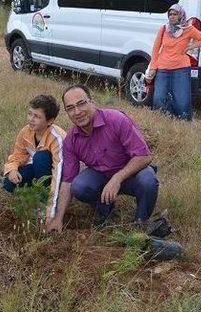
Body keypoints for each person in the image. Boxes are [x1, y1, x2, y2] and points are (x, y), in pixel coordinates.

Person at [47, 85, 158, 232]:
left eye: (81, 103)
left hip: (130, 173)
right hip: (101, 175)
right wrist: (58, 218)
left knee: (147, 180)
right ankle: (105, 211)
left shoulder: (116, 120)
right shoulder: (71, 140)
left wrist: (117, 179)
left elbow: (144, 156)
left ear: (92, 102)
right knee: (79, 186)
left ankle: (140, 225)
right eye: (71, 108)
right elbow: (67, 182)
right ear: (67, 112)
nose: (77, 112)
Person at [2, 94, 66, 220]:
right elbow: (17, 155)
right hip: (38, 169)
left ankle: (45, 199)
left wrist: (51, 205)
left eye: (37, 116)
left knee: (40, 157)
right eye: (30, 114)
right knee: (9, 184)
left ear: (50, 121)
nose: (31, 119)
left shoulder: (57, 137)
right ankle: (33, 194)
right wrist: (13, 169)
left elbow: (59, 171)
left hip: (59, 176)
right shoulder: (26, 131)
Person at [146, 3, 201, 121]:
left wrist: (191, 46)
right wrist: (153, 66)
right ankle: (163, 121)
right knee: (159, 98)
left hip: (181, 69)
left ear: (181, 15)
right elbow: (155, 48)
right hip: (163, 69)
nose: (172, 16)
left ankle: (182, 123)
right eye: (170, 14)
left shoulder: (188, 29)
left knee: (182, 100)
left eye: (175, 14)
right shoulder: (164, 28)